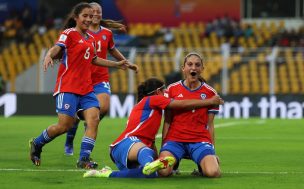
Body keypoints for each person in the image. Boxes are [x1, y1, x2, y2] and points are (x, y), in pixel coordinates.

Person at [29, 2, 137, 169]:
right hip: (68, 87)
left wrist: (117, 64)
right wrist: (49, 55)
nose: (88, 19)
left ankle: (83, 159)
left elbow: (94, 59)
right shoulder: (69, 33)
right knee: (64, 126)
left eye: (90, 16)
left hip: (86, 89)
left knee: (94, 119)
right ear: (76, 18)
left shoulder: (91, 38)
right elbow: (57, 47)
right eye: (85, 16)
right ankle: (37, 143)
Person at [82, 77, 224, 178]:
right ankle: (150, 163)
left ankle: (108, 173)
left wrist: (158, 155)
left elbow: (150, 139)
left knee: (153, 173)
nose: (166, 93)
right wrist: (208, 101)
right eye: (164, 91)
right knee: (148, 157)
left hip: (134, 148)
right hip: (126, 143)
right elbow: (181, 104)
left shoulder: (150, 108)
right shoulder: (153, 99)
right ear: (158, 92)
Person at [64, 2, 133, 156]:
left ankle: (89, 123)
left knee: (105, 107)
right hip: (82, 78)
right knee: (74, 117)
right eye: (92, 12)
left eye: (98, 12)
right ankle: (69, 139)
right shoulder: (80, 32)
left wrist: (126, 62)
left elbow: (112, 49)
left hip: (100, 78)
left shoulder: (107, 33)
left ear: (101, 14)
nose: (95, 14)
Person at [155, 52, 221, 178]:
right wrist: (164, 147)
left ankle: (208, 161)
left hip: (199, 140)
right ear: (183, 68)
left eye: (197, 65)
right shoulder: (172, 89)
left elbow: (210, 124)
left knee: (212, 172)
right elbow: (167, 121)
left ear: (202, 69)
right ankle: (175, 162)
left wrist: (212, 150)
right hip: (174, 140)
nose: (193, 68)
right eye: (189, 64)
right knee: (163, 172)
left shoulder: (211, 93)